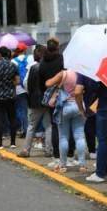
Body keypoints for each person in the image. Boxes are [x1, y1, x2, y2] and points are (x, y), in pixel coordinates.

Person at [45, 68, 88, 173]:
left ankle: (63, 165)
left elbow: (48, 83)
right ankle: (82, 165)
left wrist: (59, 82)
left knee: (63, 137)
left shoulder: (64, 74)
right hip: (79, 106)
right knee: (79, 136)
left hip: (65, 106)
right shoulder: (83, 73)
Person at [19, 45, 52, 157]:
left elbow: (25, 84)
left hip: (34, 101)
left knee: (31, 126)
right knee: (48, 125)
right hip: (47, 101)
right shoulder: (48, 67)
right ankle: (48, 150)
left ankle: (26, 150)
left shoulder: (32, 68)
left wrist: (31, 93)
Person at [39, 38, 65, 166]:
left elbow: (41, 81)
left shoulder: (42, 62)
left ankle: (56, 156)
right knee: (66, 126)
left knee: (54, 125)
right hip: (63, 94)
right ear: (57, 47)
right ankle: (68, 156)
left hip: (50, 96)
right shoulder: (62, 59)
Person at [0, 47, 19, 149]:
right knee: (12, 118)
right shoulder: (14, 65)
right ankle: (13, 142)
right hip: (10, 95)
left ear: (0, 55)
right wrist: (9, 83)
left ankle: (0, 142)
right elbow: (17, 82)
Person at [12, 43, 32, 138]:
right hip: (30, 87)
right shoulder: (30, 58)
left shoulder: (13, 61)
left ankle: (24, 129)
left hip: (18, 88)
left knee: (21, 110)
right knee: (31, 110)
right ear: (24, 50)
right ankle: (32, 129)